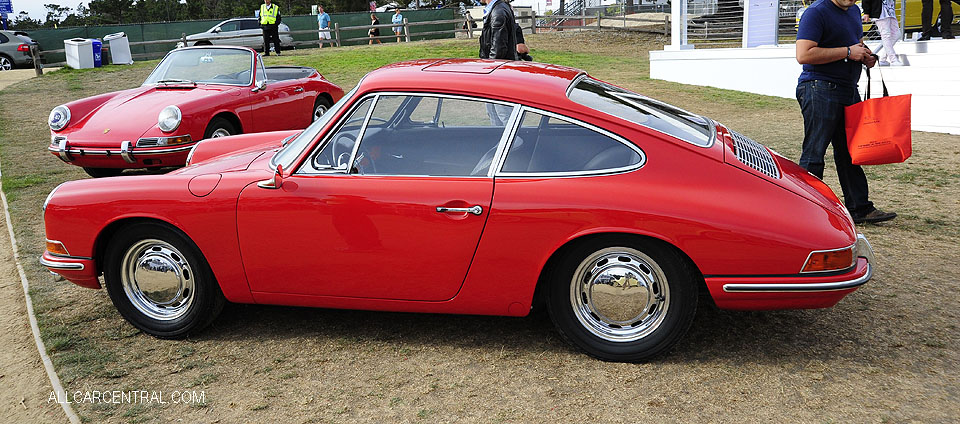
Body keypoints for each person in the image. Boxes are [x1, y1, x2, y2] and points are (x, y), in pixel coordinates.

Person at [795, 0, 896, 224]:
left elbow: (855, 44)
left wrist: (865, 55)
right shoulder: (816, 12)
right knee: (814, 152)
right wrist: (849, 52)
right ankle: (804, 210)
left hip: (848, 88)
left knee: (851, 153)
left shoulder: (853, 12)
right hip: (819, 87)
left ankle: (860, 208)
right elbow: (804, 55)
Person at [862, 0, 902, 65]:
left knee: (897, 34)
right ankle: (893, 59)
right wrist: (866, 12)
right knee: (886, 35)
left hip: (889, 9)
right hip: (880, 12)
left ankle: (883, 59)